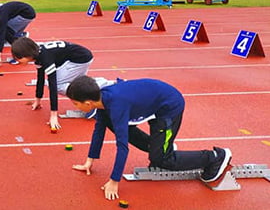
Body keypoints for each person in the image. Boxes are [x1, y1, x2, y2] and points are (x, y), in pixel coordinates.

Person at [67, 75, 233, 200]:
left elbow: (122, 146)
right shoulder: (102, 100)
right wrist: (89, 161)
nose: (75, 106)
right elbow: (99, 130)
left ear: (88, 103)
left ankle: (215, 157)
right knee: (111, 124)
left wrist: (114, 180)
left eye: (75, 103)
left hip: (169, 106)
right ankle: (160, 146)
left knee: (161, 159)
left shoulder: (117, 106)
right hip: (153, 104)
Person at [11, 37, 114, 130]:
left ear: (27, 54)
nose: (18, 61)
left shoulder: (45, 58)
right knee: (69, 83)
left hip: (80, 59)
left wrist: (53, 115)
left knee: (59, 85)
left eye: (18, 58)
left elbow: (53, 85)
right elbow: (40, 77)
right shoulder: (38, 54)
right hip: (77, 57)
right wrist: (37, 100)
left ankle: (101, 88)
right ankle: (94, 92)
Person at [0, 1, 36, 68]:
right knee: (5, 33)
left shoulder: (2, 15)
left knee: (5, 33)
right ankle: (25, 49)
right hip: (21, 14)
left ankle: (21, 53)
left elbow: (1, 34)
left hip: (27, 14)